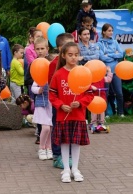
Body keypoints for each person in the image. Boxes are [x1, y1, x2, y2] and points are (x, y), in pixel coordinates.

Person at [49, 42, 94, 183]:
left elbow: (90, 94)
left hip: (78, 115)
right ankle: (66, 170)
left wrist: (80, 103)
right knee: (64, 143)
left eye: (76, 55)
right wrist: (61, 105)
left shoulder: (83, 73)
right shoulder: (58, 74)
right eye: (70, 55)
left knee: (75, 143)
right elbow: (52, 95)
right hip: (63, 116)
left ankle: (75, 168)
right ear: (63, 55)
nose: (73, 58)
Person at [48, 33, 74, 168]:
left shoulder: (74, 65)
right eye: (68, 45)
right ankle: (57, 156)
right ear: (60, 48)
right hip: (59, 104)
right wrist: (60, 104)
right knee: (58, 129)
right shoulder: (54, 64)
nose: (72, 48)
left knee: (70, 130)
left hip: (71, 104)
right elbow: (52, 88)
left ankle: (69, 155)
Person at [31, 37, 53, 160]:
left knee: (50, 127)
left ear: (47, 49)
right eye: (37, 49)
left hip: (51, 101)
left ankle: (48, 148)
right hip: (41, 101)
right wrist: (38, 89)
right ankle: (41, 148)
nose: (40, 51)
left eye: (42, 48)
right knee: (44, 127)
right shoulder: (36, 65)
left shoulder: (50, 63)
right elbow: (33, 86)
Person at [97, 23, 124, 117]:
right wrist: (113, 55)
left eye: (112, 30)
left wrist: (110, 55)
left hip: (116, 71)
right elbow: (102, 57)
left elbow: (121, 54)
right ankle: (106, 113)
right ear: (104, 32)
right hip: (105, 72)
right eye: (109, 30)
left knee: (119, 93)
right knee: (106, 93)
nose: (111, 32)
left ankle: (121, 113)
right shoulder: (99, 44)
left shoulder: (115, 42)